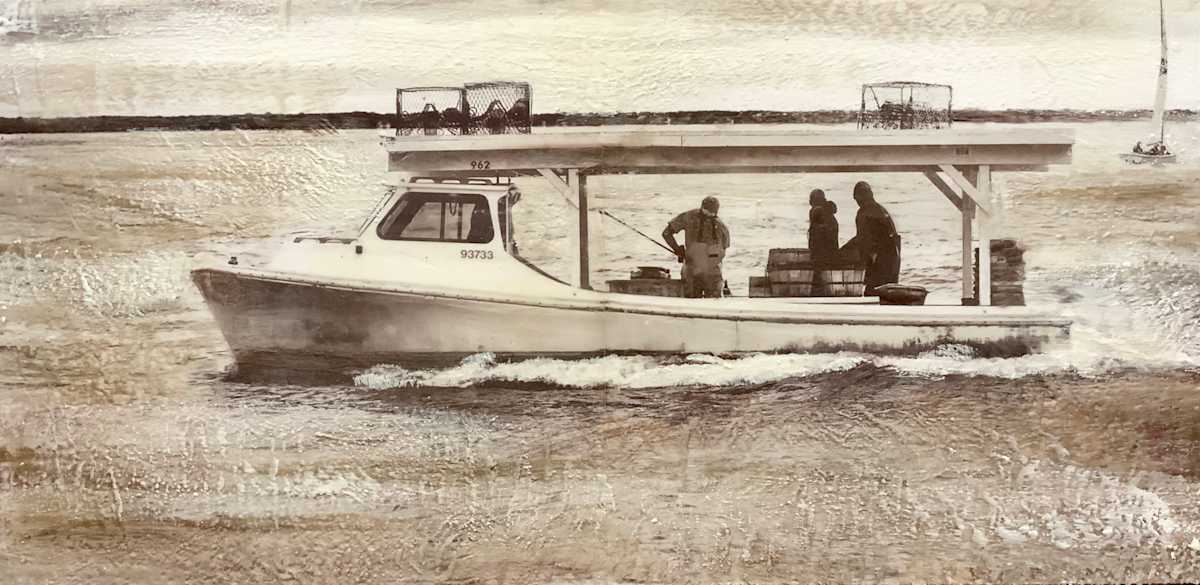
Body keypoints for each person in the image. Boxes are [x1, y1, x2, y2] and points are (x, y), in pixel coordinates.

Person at [663, 196, 731, 298]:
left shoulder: (720, 226)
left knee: (706, 303)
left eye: (712, 212)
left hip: (709, 274)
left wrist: (678, 250)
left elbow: (666, 233)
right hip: (695, 272)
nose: (710, 215)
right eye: (707, 211)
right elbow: (667, 233)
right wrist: (677, 250)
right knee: (705, 303)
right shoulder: (689, 217)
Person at [846, 181, 901, 295]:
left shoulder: (864, 212)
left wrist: (843, 250)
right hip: (893, 260)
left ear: (860, 197)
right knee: (888, 293)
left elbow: (862, 239)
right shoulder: (881, 209)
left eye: (857, 198)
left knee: (871, 293)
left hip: (880, 259)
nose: (857, 202)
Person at [807, 189, 839, 265]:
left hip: (821, 256)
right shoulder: (829, 211)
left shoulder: (816, 211)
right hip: (831, 253)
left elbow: (817, 236)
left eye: (812, 200)